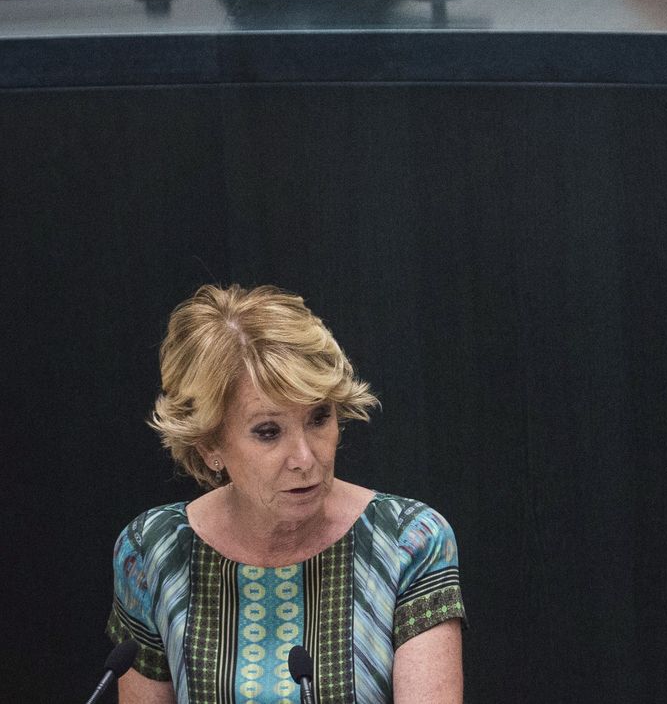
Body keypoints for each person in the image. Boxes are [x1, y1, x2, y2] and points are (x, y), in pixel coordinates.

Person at [106, 284, 464, 704]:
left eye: (319, 417)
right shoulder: (153, 551)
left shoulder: (409, 541)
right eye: (268, 431)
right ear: (210, 445)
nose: (305, 458)